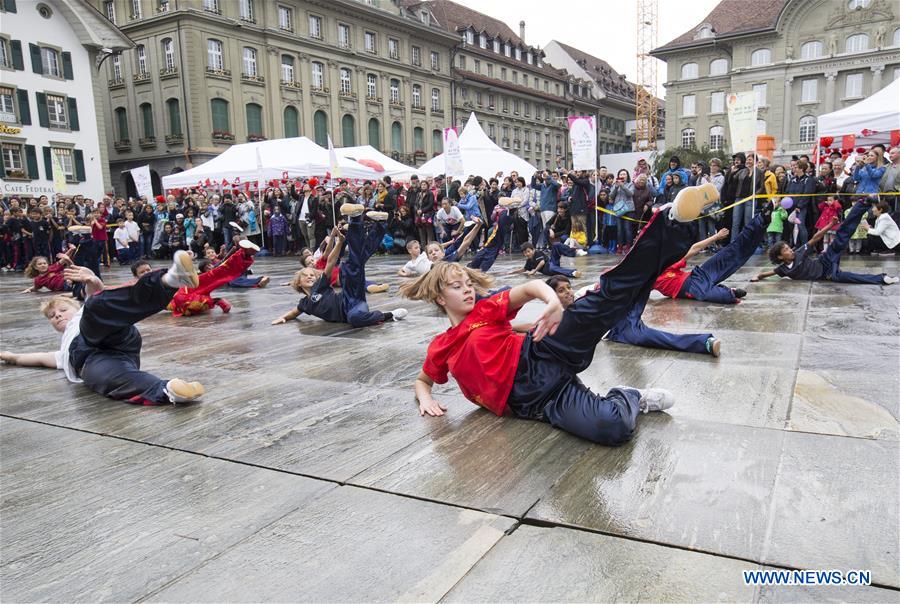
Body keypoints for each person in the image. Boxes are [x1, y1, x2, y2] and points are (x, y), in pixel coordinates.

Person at [399, 193, 709, 445]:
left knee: (605, 301)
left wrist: (551, 301)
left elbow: (529, 287)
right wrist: (425, 398)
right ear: (440, 298)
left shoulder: (486, 309)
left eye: (468, 283)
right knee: (612, 428)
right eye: (457, 287)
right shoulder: (442, 345)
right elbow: (423, 380)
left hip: (541, 350)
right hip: (535, 402)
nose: (467, 290)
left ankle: (670, 223)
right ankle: (630, 396)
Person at [0, 251, 205, 405]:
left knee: (96, 306)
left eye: (62, 310)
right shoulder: (62, 352)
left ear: (75, 307)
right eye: (52, 317)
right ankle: (169, 390)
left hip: (110, 333)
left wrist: (93, 279)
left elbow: (95, 295)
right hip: (101, 360)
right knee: (110, 379)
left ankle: (170, 281)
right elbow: (36, 358)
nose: (58, 315)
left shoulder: (81, 316)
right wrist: (10, 356)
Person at [273, 205, 408, 327]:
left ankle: (358, 220)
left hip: (350, 297)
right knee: (354, 317)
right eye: (305, 275)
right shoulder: (304, 304)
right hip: (354, 311)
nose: (310, 276)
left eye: (311, 274)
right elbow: (293, 313)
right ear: (299, 283)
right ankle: (390, 315)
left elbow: (331, 262)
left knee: (351, 266)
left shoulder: (319, 285)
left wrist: (338, 243)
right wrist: (283, 318)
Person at [755, 200, 899, 285]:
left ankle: (862, 205)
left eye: (788, 247)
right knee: (847, 277)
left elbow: (816, 238)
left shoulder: (799, 252)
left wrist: (830, 225)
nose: (790, 250)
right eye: (786, 250)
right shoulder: (782, 270)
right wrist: (757, 277)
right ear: (780, 257)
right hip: (828, 274)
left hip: (825, 260)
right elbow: (766, 274)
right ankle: (883, 278)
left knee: (841, 236)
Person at [654, 206, 771, 304]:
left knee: (731, 253)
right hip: (691, 289)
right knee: (727, 298)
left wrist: (716, 237)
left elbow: (694, 249)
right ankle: (730, 291)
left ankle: (761, 220)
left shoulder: (663, 263)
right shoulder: (644, 278)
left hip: (697, 276)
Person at [168, 240, 260, 317]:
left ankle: (243, 256)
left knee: (223, 274)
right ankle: (243, 256)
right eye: (207, 267)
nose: (209, 267)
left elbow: (222, 266)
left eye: (212, 252)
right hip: (185, 296)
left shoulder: (208, 272)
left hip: (185, 295)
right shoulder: (201, 275)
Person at [514, 242, 584, 278]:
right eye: (525, 253)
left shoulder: (537, 253)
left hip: (552, 263)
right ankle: (573, 273)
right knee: (553, 268)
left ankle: (574, 252)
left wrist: (534, 271)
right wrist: (512, 272)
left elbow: (542, 262)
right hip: (548, 270)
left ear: (533, 250)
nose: (527, 254)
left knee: (556, 245)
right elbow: (524, 269)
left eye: (528, 251)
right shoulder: (529, 261)